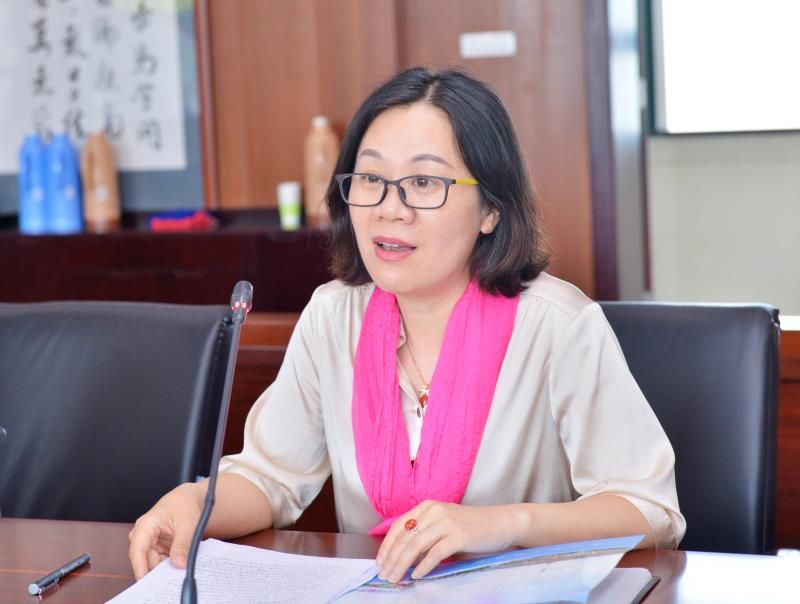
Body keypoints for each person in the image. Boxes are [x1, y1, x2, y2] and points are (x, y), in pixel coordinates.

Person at [129, 67, 685, 584]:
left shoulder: (558, 325)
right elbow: (270, 478)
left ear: (491, 210)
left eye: (423, 182)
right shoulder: (332, 317)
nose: (390, 208)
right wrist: (193, 504)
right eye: (371, 177)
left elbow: (649, 510)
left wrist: (502, 524)